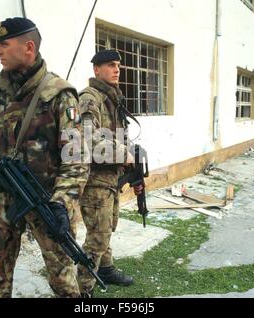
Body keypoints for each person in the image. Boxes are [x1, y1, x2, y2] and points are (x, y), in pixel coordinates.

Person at [0, 17, 89, 298]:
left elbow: (77, 159)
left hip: (46, 202)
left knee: (64, 281)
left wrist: (61, 204)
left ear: (28, 47)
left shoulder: (59, 94)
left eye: (3, 45)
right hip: (3, 203)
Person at [77, 49, 144, 297]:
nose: (117, 69)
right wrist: (122, 154)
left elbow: (114, 136)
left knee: (106, 229)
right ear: (96, 70)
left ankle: (105, 269)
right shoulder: (89, 98)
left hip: (109, 179)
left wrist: (131, 159)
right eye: (110, 65)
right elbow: (85, 140)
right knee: (98, 236)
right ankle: (82, 290)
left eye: (118, 65)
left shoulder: (111, 98)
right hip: (94, 181)